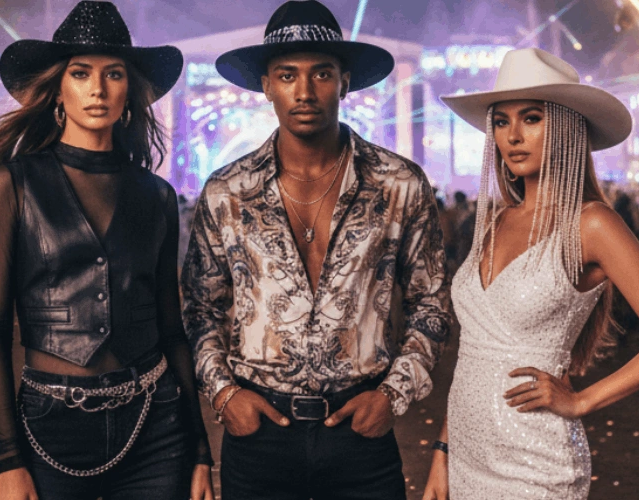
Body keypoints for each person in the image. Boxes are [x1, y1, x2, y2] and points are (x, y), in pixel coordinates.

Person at [184, 2, 452, 498]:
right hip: (258, 432)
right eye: (287, 75)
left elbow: (431, 304)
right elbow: (200, 307)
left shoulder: (399, 184)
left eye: (321, 73)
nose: (304, 91)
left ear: (344, 82)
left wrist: (392, 397)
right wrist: (223, 395)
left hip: (361, 429)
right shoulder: (227, 191)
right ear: (266, 85)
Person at [0, 2, 213, 499]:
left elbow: (172, 329)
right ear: (58, 88)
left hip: (155, 424)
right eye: (81, 73)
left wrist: (200, 450)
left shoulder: (156, 196)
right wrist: (7, 460)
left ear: (130, 92)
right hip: (50, 428)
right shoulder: (15, 182)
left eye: (113, 74)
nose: (97, 88)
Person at [426, 48, 639, 499]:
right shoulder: (492, 220)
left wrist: (581, 400)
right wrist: (442, 451)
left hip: (533, 463)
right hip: (468, 457)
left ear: (568, 126)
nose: (512, 135)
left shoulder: (591, 224)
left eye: (531, 118)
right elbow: (475, 356)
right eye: (501, 121)